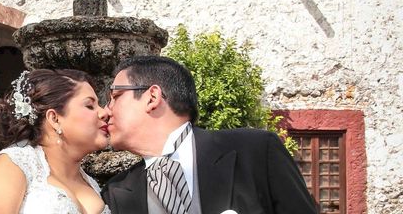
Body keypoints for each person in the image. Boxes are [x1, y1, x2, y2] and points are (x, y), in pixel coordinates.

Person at [101, 56, 316, 214]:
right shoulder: (116, 193)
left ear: (152, 97)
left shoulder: (256, 151)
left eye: (115, 96)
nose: (106, 110)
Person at [0, 69, 111, 214]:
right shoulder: (14, 165)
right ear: (54, 118)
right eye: (90, 106)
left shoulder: (91, 184)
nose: (104, 112)